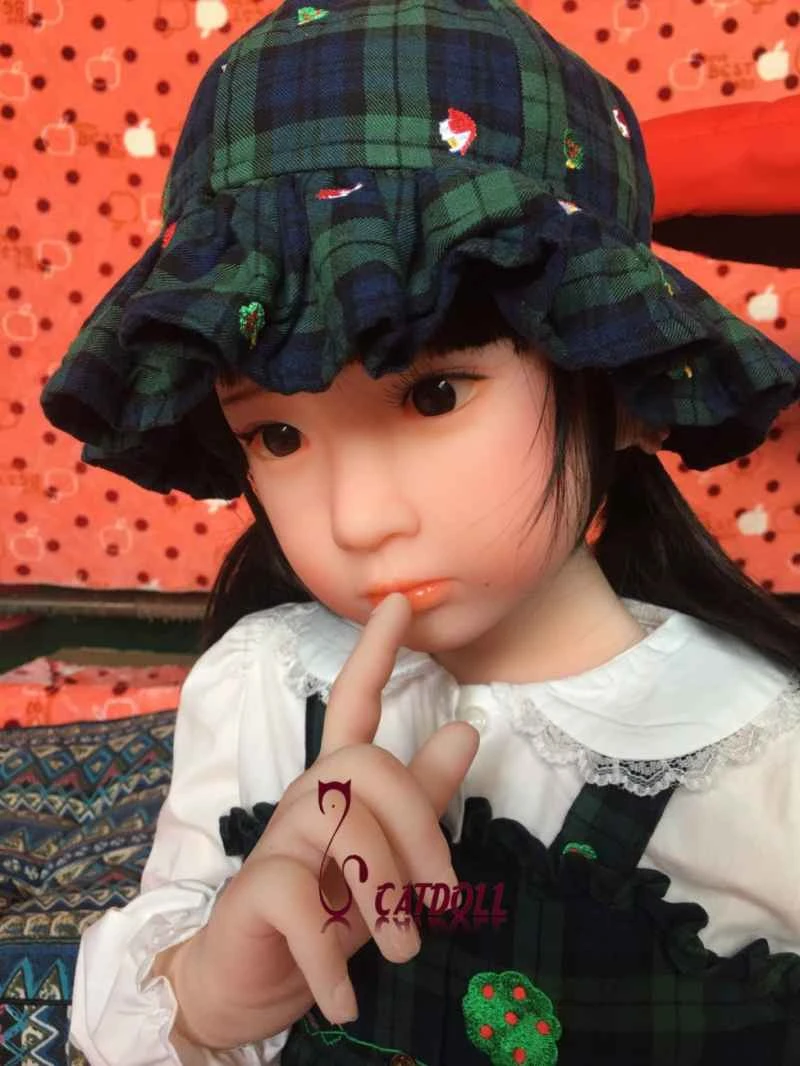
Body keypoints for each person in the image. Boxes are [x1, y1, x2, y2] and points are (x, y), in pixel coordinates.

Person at [40, 0, 800, 1063]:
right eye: (277, 435)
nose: (357, 520)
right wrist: (211, 989)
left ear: (617, 382)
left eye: (434, 396)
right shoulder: (261, 689)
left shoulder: (759, 753)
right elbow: (137, 1014)